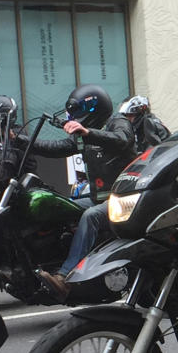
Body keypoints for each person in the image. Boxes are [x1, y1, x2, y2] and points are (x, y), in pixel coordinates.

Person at [30, 84, 137, 300]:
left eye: (78, 113)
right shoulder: (83, 136)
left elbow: (122, 140)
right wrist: (22, 141)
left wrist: (88, 133)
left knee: (91, 216)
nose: (75, 118)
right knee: (60, 207)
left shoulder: (118, 122)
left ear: (92, 109)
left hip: (125, 198)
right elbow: (60, 147)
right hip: (98, 197)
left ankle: (64, 278)